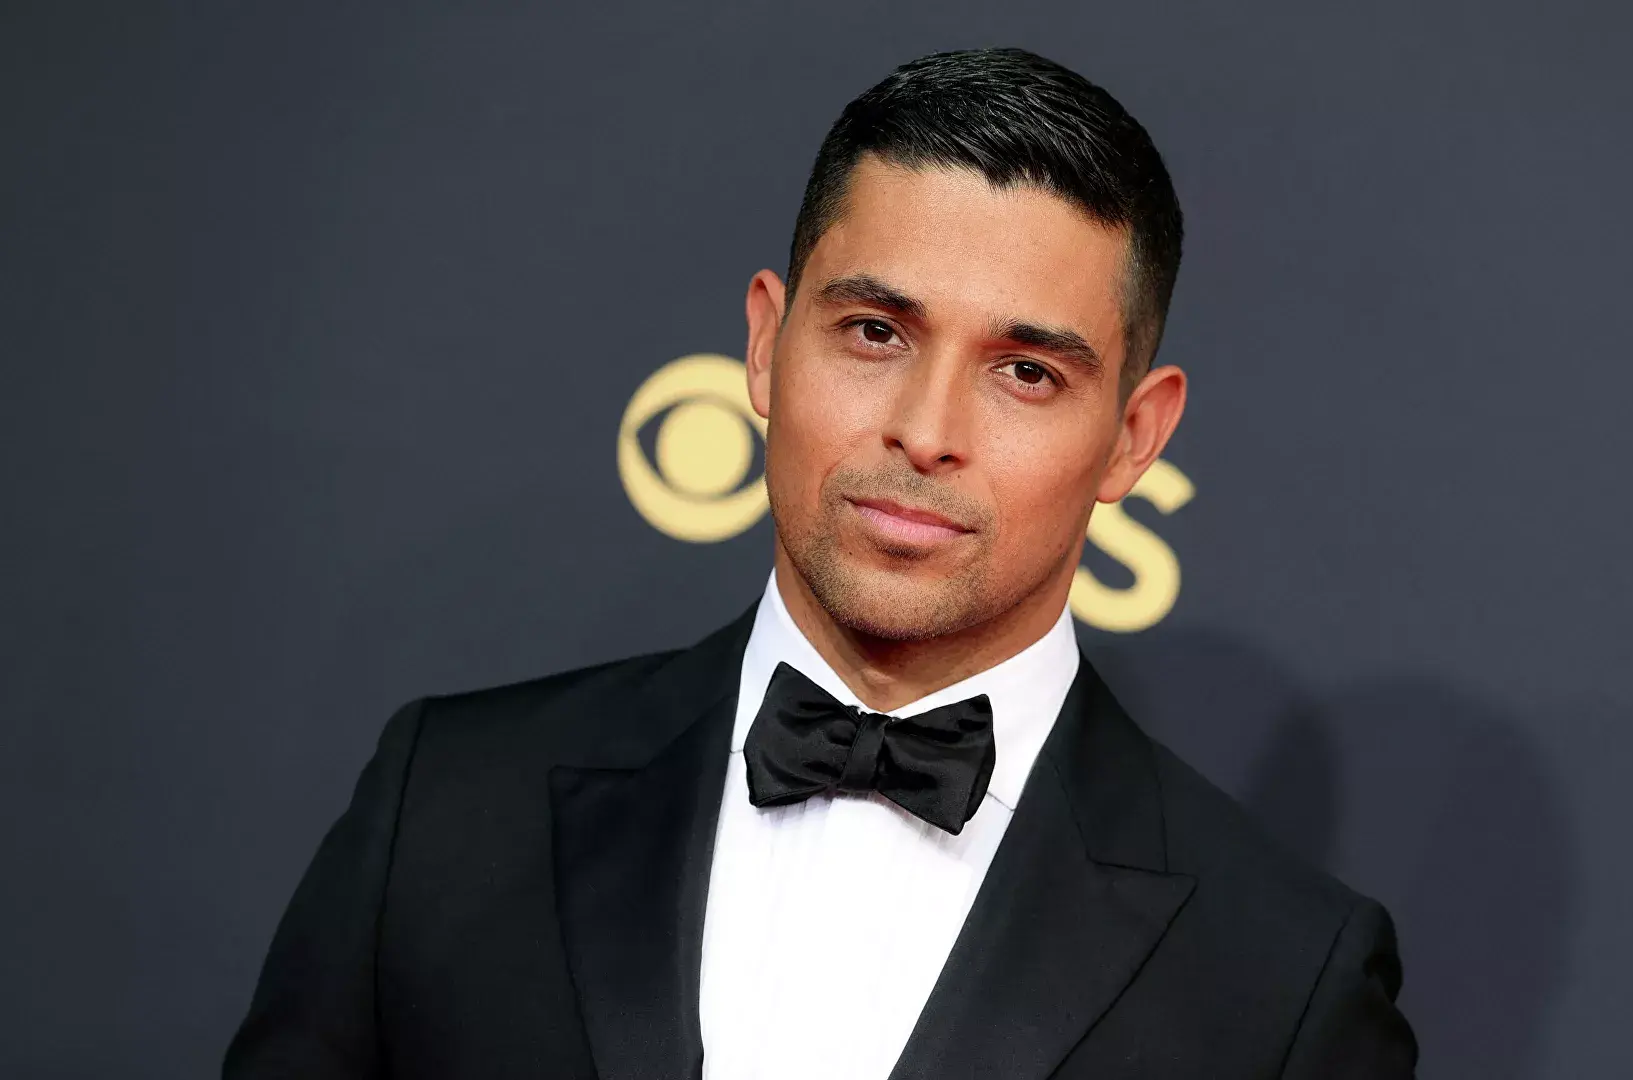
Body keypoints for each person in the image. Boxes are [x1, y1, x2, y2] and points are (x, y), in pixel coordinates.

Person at [225, 47, 1417, 1079]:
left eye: (1026, 372)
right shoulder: (445, 810)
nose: (926, 430)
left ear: (1133, 438)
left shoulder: (1283, 978)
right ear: (765, 344)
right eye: (875, 332)